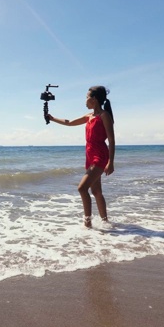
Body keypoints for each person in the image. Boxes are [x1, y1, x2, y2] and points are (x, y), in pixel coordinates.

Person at [46, 86, 115, 227]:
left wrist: (111, 162)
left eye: (87, 97)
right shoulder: (89, 116)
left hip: (100, 156)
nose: (85, 100)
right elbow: (69, 122)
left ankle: (87, 224)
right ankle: (105, 223)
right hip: (89, 156)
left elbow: (112, 140)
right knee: (96, 191)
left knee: (82, 188)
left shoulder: (104, 116)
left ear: (94, 99)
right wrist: (52, 118)